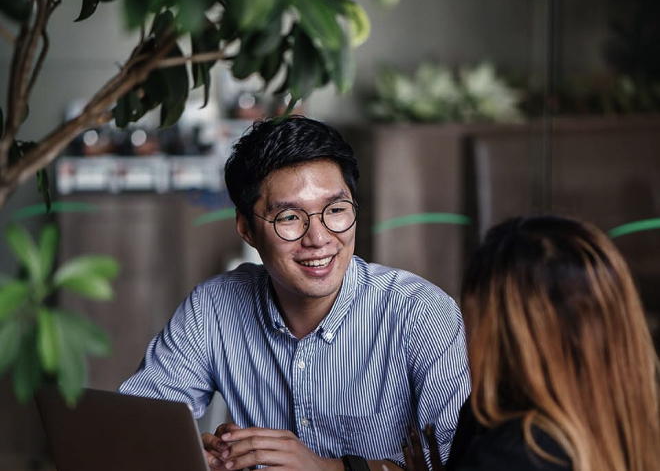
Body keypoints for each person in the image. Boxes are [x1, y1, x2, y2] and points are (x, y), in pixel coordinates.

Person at [120, 115, 470, 470]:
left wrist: (329, 468)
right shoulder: (212, 308)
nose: (318, 239)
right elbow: (132, 428)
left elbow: (462, 463)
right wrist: (193, 454)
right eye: (289, 217)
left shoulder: (422, 313)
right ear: (247, 229)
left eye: (335, 211)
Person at [403, 215, 660, 471]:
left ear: (509, 337)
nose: (467, 339)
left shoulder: (508, 454)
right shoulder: (629, 431)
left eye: (474, 319)